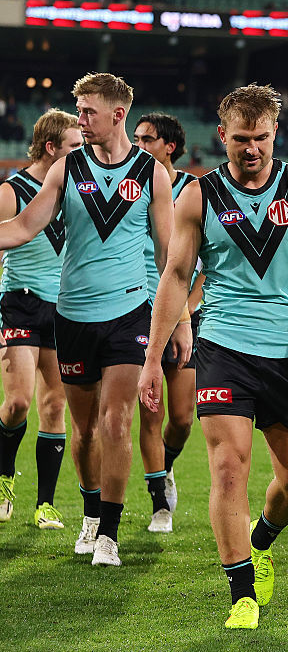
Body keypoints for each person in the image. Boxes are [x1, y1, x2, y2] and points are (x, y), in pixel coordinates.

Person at [140, 84, 288, 630]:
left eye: (261, 139)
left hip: (287, 350)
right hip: (223, 346)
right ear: (221, 136)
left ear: (276, 134)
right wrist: (153, 356)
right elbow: (176, 276)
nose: (251, 150)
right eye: (240, 140)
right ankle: (241, 593)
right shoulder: (198, 196)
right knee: (229, 468)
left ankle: (262, 539)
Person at [0, 73, 173, 567]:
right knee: (84, 430)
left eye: (89, 112)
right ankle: (92, 513)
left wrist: (178, 321)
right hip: (71, 316)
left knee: (116, 420)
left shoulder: (152, 173)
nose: (81, 120)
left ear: (118, 115)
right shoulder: (67, 168)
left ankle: (109, 534)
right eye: (79, 111)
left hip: (129, 314)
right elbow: (23, 227)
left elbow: (168, 259)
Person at [0, 109, 82, 529]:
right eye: (74, 147)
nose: (82, 153)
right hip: (21, 302)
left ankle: (44, 504)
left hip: (64, 305)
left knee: (55, 404)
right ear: (51, 148)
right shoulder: (11, 191)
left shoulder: (76, 190)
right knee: (17, 402)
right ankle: (3, 476)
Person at [132, 112, 201, 533]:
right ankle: (159, 505)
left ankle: (166, 465)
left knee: (182, 417)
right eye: (136, 139)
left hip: (188, 311)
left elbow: (207, 261)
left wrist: (186, 309)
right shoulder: (130, 187)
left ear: (169, 146)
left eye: (147, 140)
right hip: (144, 308)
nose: (139, 146)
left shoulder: (194, 189)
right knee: (150, 413)